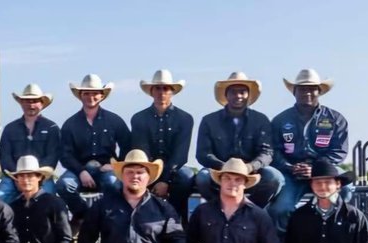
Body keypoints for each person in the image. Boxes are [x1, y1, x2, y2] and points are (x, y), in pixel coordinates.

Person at [270, 69, 351, 236]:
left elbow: (339, 151)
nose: (307, 92)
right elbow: (273, 151)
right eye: (302, 88)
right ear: (294, 91)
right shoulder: (280, 120)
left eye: (311, 88)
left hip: (324, 172)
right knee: (280, 209)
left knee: (347, 189)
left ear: (319, 91)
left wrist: (316, 168)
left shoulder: (336, 119)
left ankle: (334, 236)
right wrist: (290, 167)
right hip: (291, 173)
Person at [194, 72, 282, 210]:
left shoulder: (261, 120)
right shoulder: (209, 121)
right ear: (226, 95)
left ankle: (251, 211)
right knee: (202, 177)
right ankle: (219, 210)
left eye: (242, 92)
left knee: (274, 177)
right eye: (233, 92)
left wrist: (250, 167)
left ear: (248, 95)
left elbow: (267, 152)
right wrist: (225, 167)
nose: (238, 96)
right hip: (220, 171)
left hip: (252, 172)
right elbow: (202, 153)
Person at [59, 74, 129, 222]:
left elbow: (128, 146)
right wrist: (81, 171)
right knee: (64, 185)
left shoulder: (114, 120)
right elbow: (65, 154)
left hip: (106, 168)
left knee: (114, 183)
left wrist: (115, 165)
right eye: (87, 93)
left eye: (95, 93)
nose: (91, 96)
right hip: (79, 168)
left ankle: (109, 219)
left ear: (102, 95)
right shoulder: (70, 124)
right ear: (80, 95)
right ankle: (84, 216)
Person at [131, 70, 195, 219]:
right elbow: (141, 150)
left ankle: (176, 219)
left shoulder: (185, 118)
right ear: (151, 91)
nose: (161, 92)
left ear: (172, 92)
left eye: (165, 88)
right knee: (132, 177)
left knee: (186, 176)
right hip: (147, 167)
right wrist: (152, 175)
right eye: (158, 88)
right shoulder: (139, 118)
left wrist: (165, 180)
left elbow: (180, 154)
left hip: (174, 169)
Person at [0, 83, 60, 203]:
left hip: (42, 179)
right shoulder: (10, 128)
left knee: (51, 202)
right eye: (27, 101)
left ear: (42, 103)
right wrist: (19, 178)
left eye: (35, 101)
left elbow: (53, 156)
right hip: (13, 178)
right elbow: (5, 156)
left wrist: (36, 178)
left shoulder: (52, 128)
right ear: (21, 103)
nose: (31, 105)